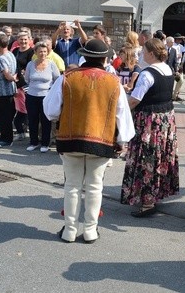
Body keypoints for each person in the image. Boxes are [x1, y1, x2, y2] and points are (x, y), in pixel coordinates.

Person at [44, 39, 135, 243]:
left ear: (84, 56)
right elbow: (123, 116)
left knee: (72, 186)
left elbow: (50, 111)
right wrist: (122, 140)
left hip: (70, 139)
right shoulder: (113, 82)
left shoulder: (67, 78)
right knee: (95, 187)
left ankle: (69, 230)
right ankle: (90, 231)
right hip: (101, 142)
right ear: (105, 58)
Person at [121, 38, 179, 217]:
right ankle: (157, 193)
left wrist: (121, 112)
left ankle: (147, 203)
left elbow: (135, 100)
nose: (140, 54)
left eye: (143, 51)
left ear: (151, 54)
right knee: (161, 156)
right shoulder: (168, 68)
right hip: (165, 120)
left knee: (147, 158)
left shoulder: (147, 74)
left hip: (150, 122)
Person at [24, 42, 60, 153]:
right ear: (35, 52)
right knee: (33, 120)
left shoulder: (52, 64)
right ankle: (33, 142)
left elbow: (57, 80)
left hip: (46, 97)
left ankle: (45, 143)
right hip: (31, 96)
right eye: (40, 51)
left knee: (45, 121)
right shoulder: (30, 64)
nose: (43, 54)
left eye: (45, 51)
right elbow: (27, 79)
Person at [0, 34, 18, 148]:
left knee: (4, 117)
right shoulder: (11, 55)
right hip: (9, 91)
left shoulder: (1, 58)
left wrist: (12, 78)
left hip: (2, 91)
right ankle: (4, 138)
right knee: (7, 116)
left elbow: (6, 73)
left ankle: (6, 139)